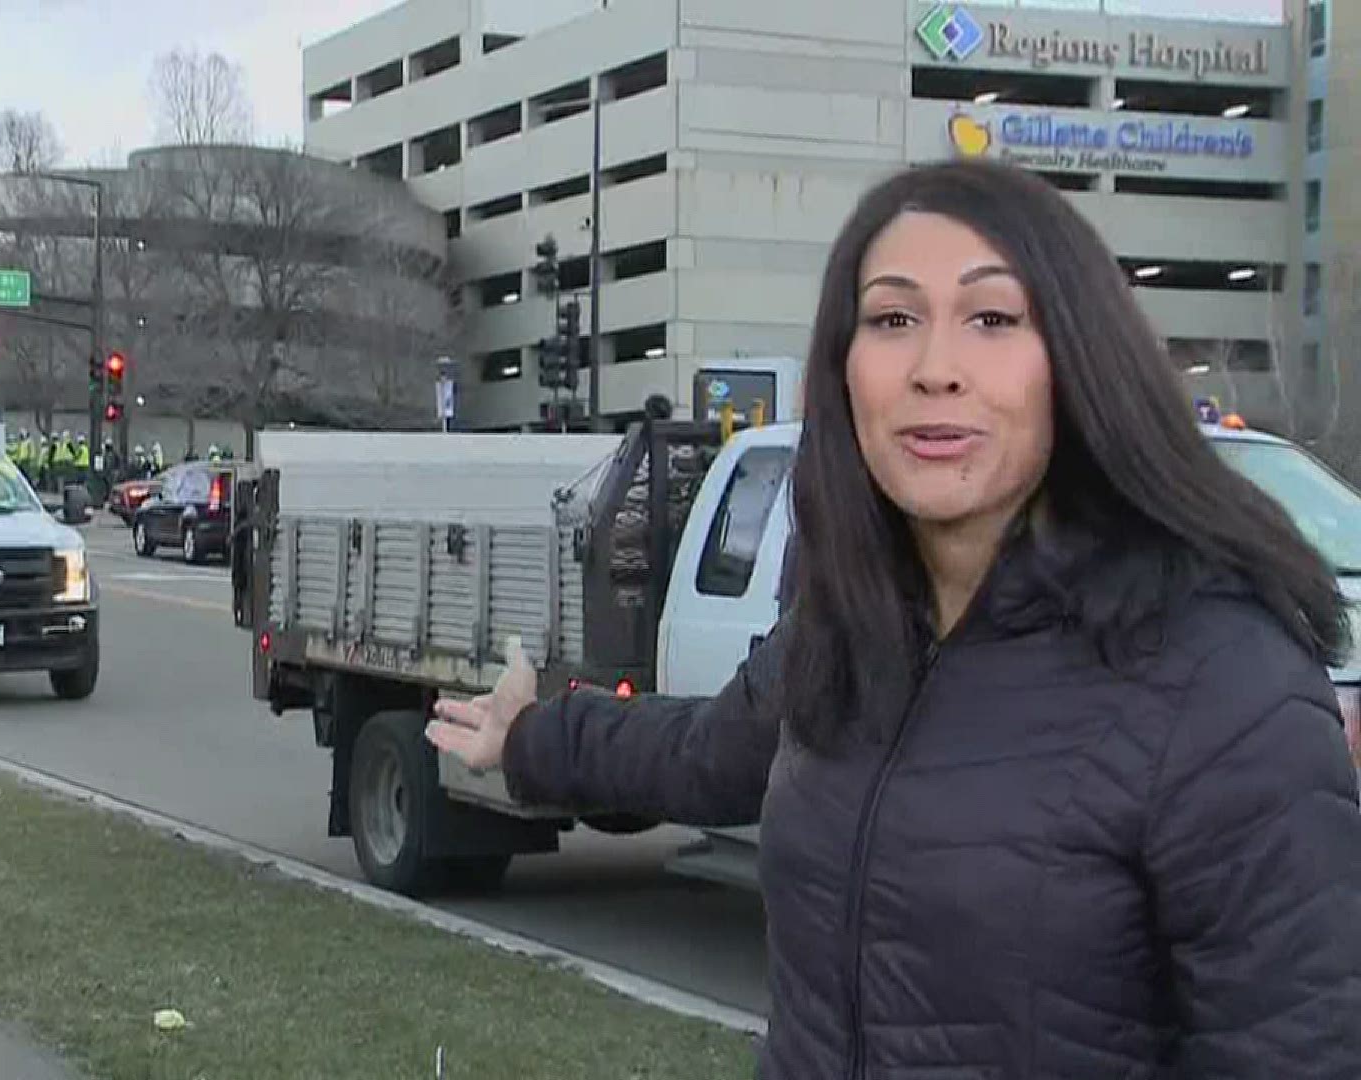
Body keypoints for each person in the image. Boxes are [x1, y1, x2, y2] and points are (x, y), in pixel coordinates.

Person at [429, 159, 1361, 1078]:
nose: (935, 369)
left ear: (1078, 360)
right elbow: (706, 752)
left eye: (992, 318)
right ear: (843, 371)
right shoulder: (850, 621)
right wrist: (529, 738)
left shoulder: (1221, 675)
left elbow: (1293, 1045)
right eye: (892, 319)